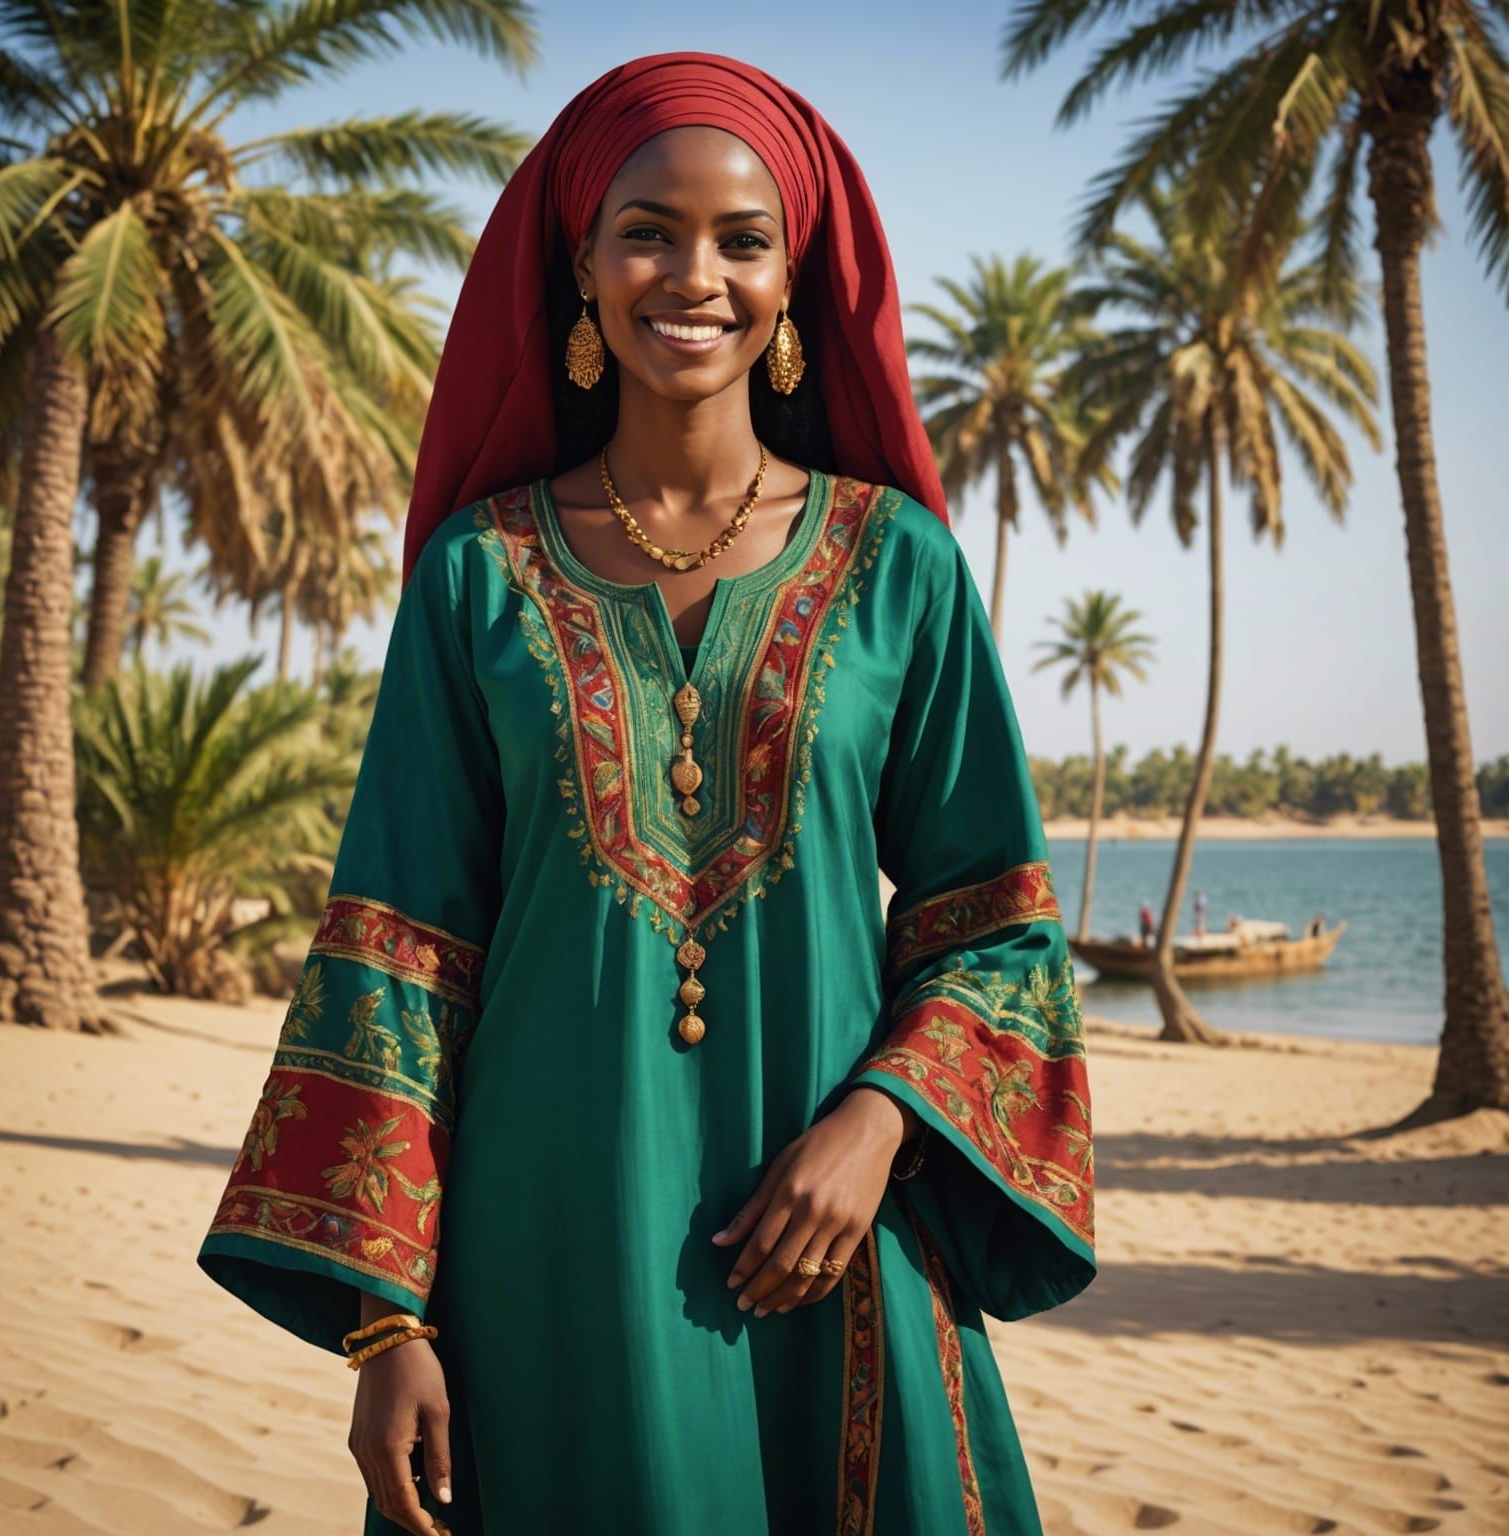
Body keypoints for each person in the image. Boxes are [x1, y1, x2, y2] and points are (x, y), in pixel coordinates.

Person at [196, 51, 1096, 1536]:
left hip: (829, 1242)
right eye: (647, 232)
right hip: (540, 1254)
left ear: (794, 281)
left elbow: (992, 924)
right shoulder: (478, 581)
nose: (696, 274)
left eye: (743, 239)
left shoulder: (899, 571)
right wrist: (385, 1322)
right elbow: (401, 950)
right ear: (582, 271)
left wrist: (875, 1127)